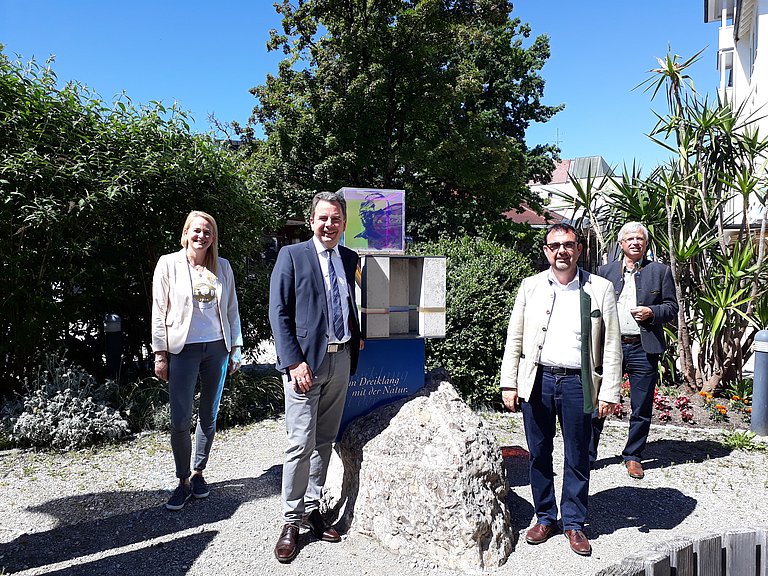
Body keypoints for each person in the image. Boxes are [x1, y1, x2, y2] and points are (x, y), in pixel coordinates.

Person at [499, 223, 622, 556]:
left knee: (578, 455)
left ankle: (574, 523)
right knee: (538, 453)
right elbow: (515, 337)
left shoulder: (601, 288)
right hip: (538, 380)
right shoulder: (530, 286)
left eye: (568, 245)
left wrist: (610, 390)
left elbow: (611, 343)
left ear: (579, 249)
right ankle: (545, 517)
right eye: (554, 246)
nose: (561, 251)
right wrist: (509, 382)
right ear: (546, 251)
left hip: (578, 383)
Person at [269, 191, 362, 563]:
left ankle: (311, 509)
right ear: (312, 221)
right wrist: (293, 363)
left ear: (343, 223)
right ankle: (290, 520)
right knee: (299, 443)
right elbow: (279, 313)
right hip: (305, 366)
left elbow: (349, 305)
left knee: (324, 440)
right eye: (323, 218)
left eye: (336, 219)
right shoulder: (292, 256)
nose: (329, 225)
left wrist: (357, 341)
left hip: (341, 362)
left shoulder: (350, 258)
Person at [151, 210, 243, 511]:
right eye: (196, 230)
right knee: (179, 420)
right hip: (182, 350)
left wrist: (235, 349)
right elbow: (159, 312)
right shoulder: (168, 264)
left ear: (213, 237)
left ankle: (198, 472)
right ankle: (182, 481)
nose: (201, 236)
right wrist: (160, 354)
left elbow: (231, 309)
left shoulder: (223, 267)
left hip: (217, 348)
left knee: (209, 416)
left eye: (207, 231)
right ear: (186, 232)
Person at [591, 222, 678, 480]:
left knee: (641, 405)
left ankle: (634, 456)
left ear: (646, 243)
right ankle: (586, 455)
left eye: (640, 238)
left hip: (643, 346)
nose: (635, 242)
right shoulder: (604, 271)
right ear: (621, 244)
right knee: (599, 401)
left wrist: (652, 312)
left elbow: (672, 308)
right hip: (609, 346)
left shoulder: (660, 271)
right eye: (629, 238)